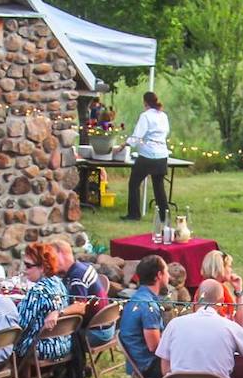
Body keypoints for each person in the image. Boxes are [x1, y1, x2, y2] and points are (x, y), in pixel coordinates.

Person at [14, 242, 73, 378]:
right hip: (64, 343)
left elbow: (21, 326)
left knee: (11, 340)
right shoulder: (58, 282)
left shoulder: (37, 291)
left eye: (28, 266)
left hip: (44, 348)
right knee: (27, 336)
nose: (25, 270)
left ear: (42, 267)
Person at [52, 238, 113, 346]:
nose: (50, 260)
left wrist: (58, 313)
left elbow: (80, 307)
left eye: (52, 256)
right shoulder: (81, 266)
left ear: (61, 254)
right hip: (105, 325)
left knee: (53, 340)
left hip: (96, 333)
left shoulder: (77, 276)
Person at [119, 255, 168, 378]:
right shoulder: (148, 306)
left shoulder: (138, 298)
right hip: (148, 369)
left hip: (139, 364)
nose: (169, 276)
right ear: (159, 275)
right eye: (166, 271)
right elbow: (154, 346)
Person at [124, 91, 170, 222]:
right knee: (159, 187)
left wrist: (126, 144)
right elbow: (166, 132)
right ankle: (164, 216)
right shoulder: (163, 116)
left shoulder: (145, 116)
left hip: (147, 154)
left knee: (134, 183)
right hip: (161, 154)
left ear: (145, 102)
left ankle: (134, 214)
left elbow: (138, 135)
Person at [198, 249, 243, 321]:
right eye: (229, 266)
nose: (231, 270)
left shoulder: (206, 287)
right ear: (220, 268)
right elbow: (239, 321)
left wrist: (238, 289)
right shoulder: (214, 291)